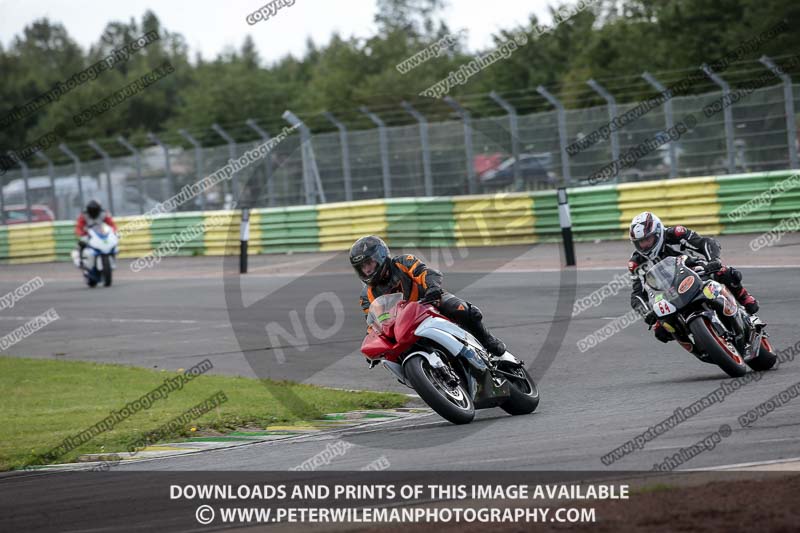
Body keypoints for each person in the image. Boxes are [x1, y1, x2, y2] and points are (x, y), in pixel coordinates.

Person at [350, 235, 507, 358]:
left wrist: (432, 288)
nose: (367, 270)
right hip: (402, 325)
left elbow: (425, 272)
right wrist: (373, 340)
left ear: (380, 256)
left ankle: (487, 340)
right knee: (392, 356)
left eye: (369, 263)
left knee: (462, 310)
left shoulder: (403, 262)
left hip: (430, 301)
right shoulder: (366, 295)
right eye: (362, 267)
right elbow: (373, 324)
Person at [627, 211, 759, 343]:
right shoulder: (636, 263)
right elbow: (637, 294)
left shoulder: (676, 234)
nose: (644, 245)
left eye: (647, 239)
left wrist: (713, 261)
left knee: (725, 272)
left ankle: (744, 298)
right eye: (640, 242)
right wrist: (646, 313)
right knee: (661, 331)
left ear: (658, 233)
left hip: (696, 271)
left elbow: (706, 243)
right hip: (668, 293)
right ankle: (699, 345)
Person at [71, 200, 117, 267]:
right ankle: (80, 261)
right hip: (88, 234)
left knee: (112, 244)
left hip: (101, 234)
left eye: (95, 210)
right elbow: (78, 227)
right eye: (91, 210)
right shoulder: (84, 215)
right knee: (80, 244)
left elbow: (112, 225)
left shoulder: (104, 214)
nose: (93, 212)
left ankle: (112, 260)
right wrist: (81, 233)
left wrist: (113, 231)